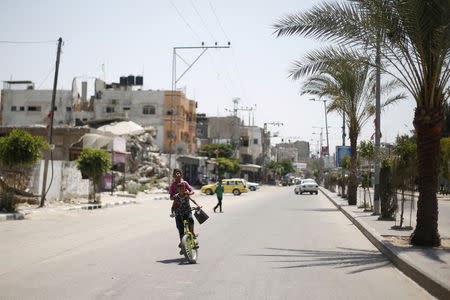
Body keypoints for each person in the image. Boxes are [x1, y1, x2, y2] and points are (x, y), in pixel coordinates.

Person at [171, 183, 201, 252]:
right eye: (180, 189)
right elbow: (173, 206)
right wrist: (173, 213)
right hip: (179, 213)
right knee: (181, 230)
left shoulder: (187, 195)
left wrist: (197, 205)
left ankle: (192, 233)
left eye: (183, 188)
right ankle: (183, 246)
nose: (181, 190)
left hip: (187, 211)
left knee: (191, 220)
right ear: (177, 190)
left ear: (185, 189)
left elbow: (192, 200)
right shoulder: (176, 197)